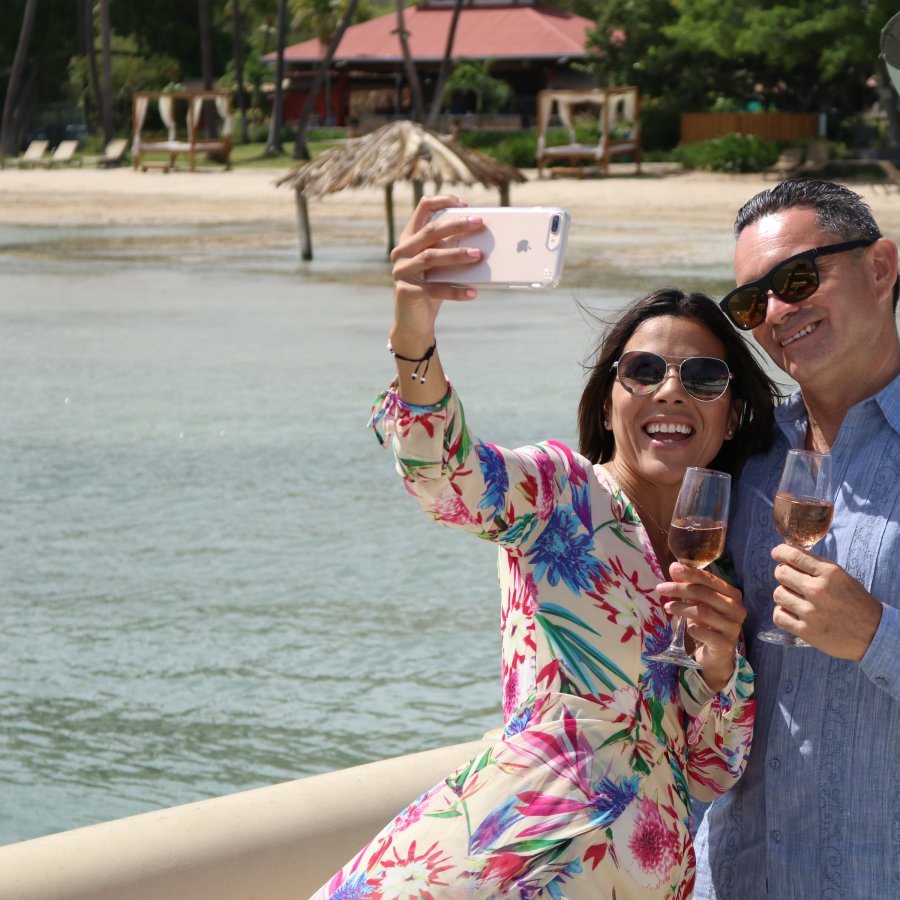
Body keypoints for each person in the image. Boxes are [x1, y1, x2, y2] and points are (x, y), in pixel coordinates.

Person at [311, 195, 779, 899]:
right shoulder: (559, 492)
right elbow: (445, 477)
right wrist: (415, 332)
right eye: (643, 372)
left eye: (704, 378)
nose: (671, 391)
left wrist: (718, 671)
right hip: (509, 859)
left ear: (733, 411)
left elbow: (712, 771)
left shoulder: (721, 555)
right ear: (610, 395)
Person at [694, 178, 900, 899]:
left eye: (799, 278)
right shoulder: (739, 457)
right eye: (753, 302)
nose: (777, 314)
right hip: (739, 877)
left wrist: (876, 635)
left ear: (881, 268)